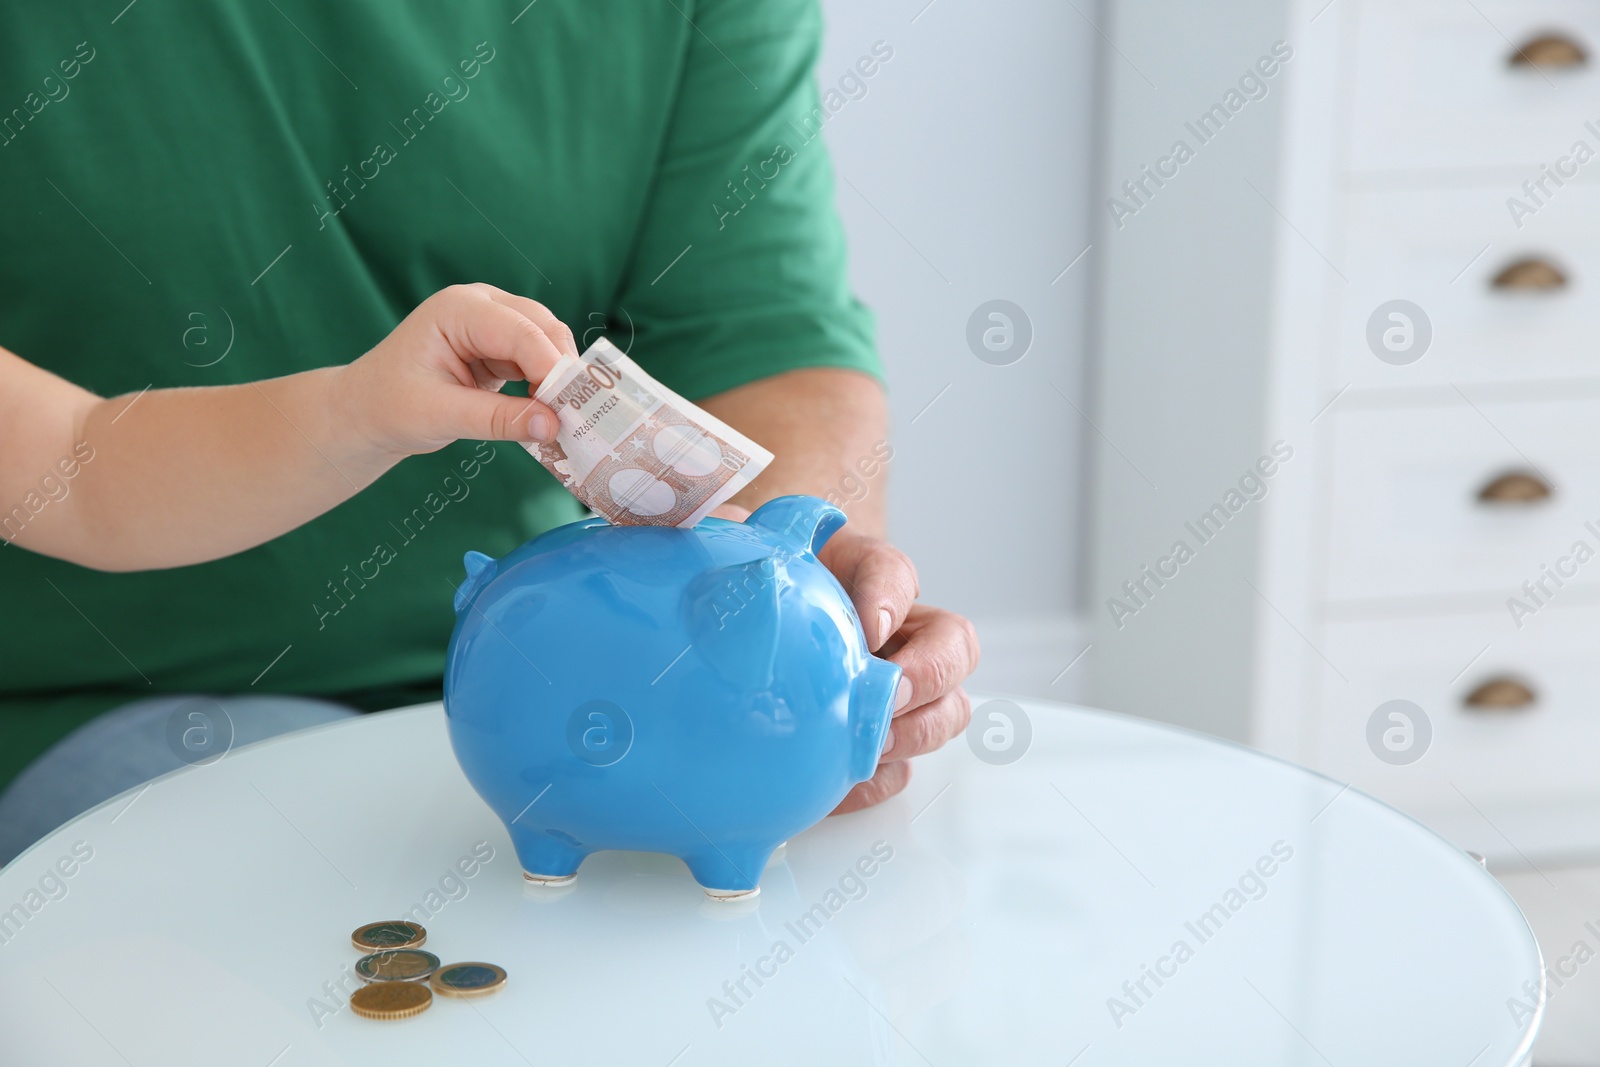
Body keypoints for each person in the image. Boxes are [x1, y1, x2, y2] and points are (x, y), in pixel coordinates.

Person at [0, 2, 978, 863]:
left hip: (548, 671)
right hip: (107, 702)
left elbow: (760, 333)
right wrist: (355, 412)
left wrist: (801, 626)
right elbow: (77, 468)